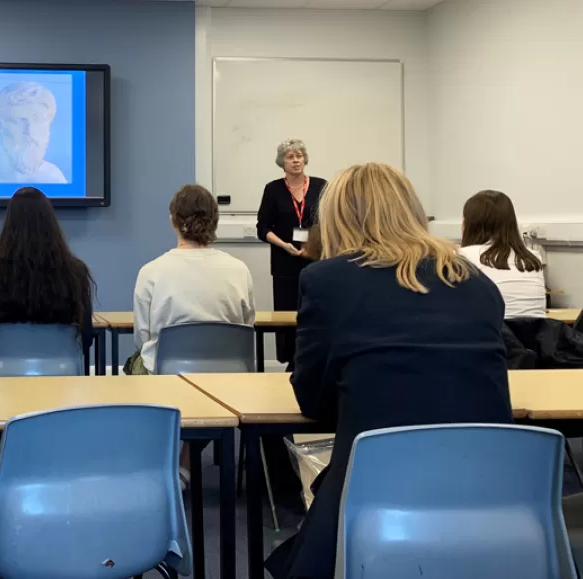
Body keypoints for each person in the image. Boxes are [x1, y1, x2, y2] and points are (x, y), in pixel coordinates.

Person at [266, 163, 512, 579]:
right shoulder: (477, 282)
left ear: (338, 217)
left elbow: (313, 400)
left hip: (377, 490)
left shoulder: (327, 281)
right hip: (491, 495)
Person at [128, 184, 255, 375]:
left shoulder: (150, 272)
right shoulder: (240, 270)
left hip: (166, 376)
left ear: (173, 221)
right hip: (230, 375)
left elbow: (142, 338)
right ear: (215, 221)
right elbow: (247, 325)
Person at [0, 187, 94, 369]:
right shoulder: (75, 272)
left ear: (9, 223)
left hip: (1, 376)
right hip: (63, 376)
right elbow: (85, 338)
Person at [256, 139, 327, 369]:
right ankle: (290, 361)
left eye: (299, 156)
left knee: (314, 310)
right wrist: (284, 245)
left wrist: (313, 246)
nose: (296, 161)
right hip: (284, 263)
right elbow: (262, 228)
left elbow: (329, 223)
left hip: (314, 261)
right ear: (282, 162)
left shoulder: (321, 186)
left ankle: (313, 358)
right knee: (286, 313)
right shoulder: (273, 189)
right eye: (290, 157)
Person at [459, 189, 546, 319]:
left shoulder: (463, 257)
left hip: (493, 331)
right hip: (536, 331)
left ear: (469, 225)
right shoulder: (533, 257)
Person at [0, 81, 67, 184]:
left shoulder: (54, 177)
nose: (29, 131)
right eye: (18, 121)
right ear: (0, 126)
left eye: (37, 120)